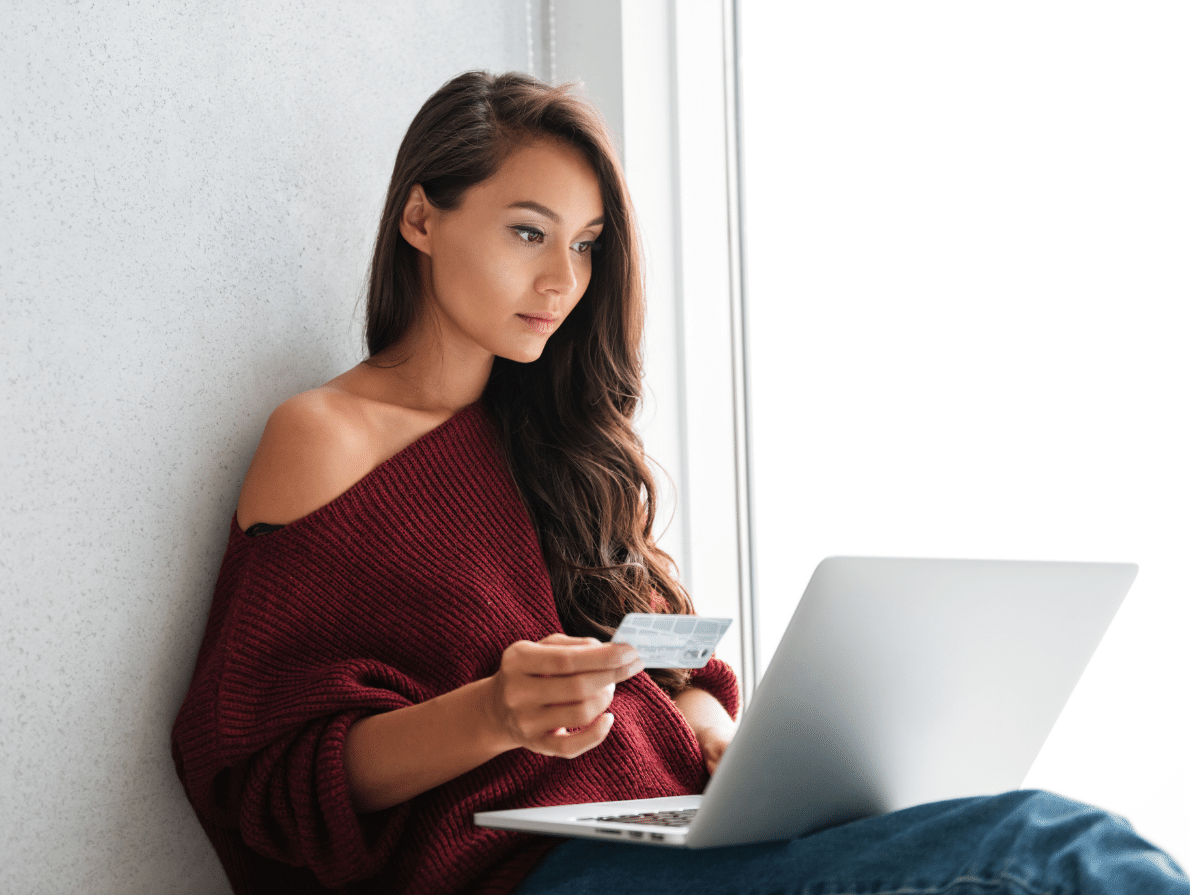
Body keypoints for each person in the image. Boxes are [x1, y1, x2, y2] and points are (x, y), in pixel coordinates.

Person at [171, 71, 1185, 895]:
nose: (562, 281)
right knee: (1046, 851)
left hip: (675, 840)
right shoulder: (326, 437)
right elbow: (257, 773)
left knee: (1035, 850)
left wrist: (711, 727)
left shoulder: (555, 444)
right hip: (528, 875)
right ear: (421, 219)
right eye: (528, 231)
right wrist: (494, 715)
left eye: (585, 245)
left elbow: (668, 655)